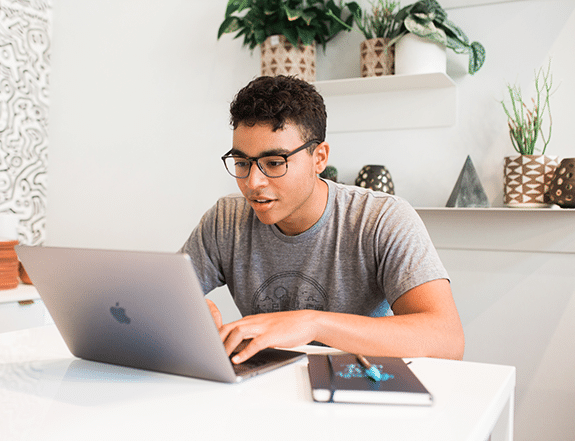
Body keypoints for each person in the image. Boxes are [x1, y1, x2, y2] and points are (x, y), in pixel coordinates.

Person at [180, 75, 464, 364]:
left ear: (319, 157)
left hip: (357, 386)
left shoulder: (381, 219)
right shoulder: (226, 219)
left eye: (275, 163)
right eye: (242, 163)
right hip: (264, 388)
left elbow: (447, 339)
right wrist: (184, 311)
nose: (253, 182)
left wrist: (312, 323)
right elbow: (151, 303)